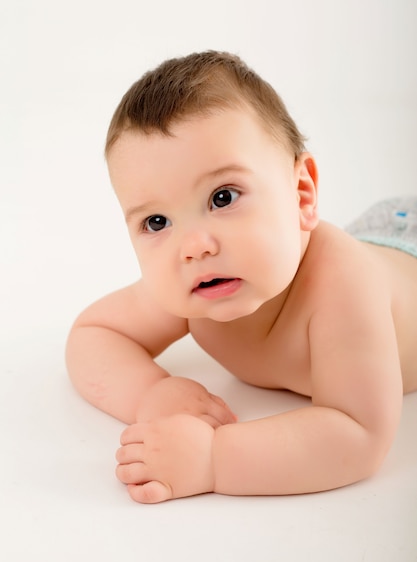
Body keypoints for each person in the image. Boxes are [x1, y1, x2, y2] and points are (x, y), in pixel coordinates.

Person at [65, 50, 417, 504]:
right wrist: (153, 393)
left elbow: (359, 433)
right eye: (156, 222)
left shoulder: (344, 285)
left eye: (223, 197)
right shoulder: (189, 283)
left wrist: (213, 457)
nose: (193, 246)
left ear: (301, 195)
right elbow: (94, 333)